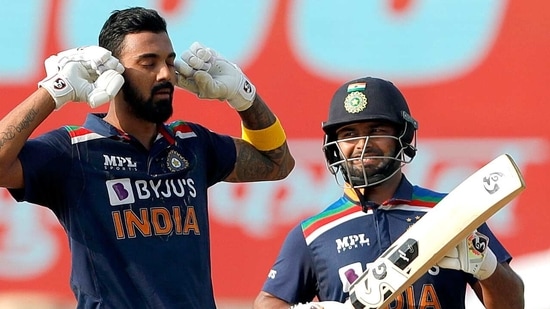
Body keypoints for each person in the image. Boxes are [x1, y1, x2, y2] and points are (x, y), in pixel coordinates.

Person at [0, 7, 294, 309]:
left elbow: (277, 163)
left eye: (169, 61)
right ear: (111, 73)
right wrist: (53, 91)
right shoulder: (75, 150)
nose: (165, 74)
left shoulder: (191, 142)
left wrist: (244, 97)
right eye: (148, 63)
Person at [254, 77, 524, 309]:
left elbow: (514, 303)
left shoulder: (451, 213)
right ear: (335, 147)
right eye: (349, 134)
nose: (363, 144)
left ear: (403, 137)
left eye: (377, 130)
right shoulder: (314, 234)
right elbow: (268, 302)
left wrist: (485, 265)